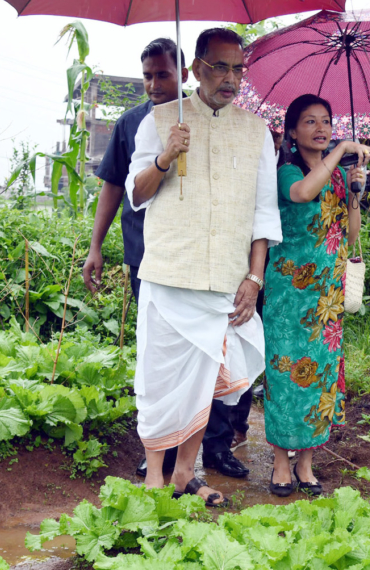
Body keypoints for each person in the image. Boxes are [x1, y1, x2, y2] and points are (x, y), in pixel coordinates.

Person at [125, 28, 281, 507]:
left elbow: (263, 213)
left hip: (226, 279)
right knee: (160, 379)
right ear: (195, 69)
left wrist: (254, 278)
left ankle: (185, 475)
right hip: (170, 274)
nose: (230, 78)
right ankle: (155, 477)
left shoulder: (257, 132)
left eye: (238, 68)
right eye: (219, 67)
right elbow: (136, 192)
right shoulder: (159, 120)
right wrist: (166, 155)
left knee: (204, 380)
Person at [80, 38, 191, 480]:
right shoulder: (131, 124)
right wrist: (95, 246)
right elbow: (111, 186)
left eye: (162, 74)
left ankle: (207, 451)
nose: (153, 83)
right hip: (145, 255)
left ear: (183, 74)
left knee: (198, 356)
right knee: (157, 354)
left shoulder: (205, 119)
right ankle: (157, 452)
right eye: (147, 75)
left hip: (196, 257)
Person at [263, 94, 370, 497]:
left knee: (321, 377)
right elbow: (301, 195)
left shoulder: (340, 177)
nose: (321, 129)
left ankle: (306, 463)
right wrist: (342, 149)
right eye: (309, 122)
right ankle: (279, 461)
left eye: (326, 121)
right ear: (292, 132)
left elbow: (350, 233)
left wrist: (356, 194)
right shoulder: (285, 172)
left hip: (327, 294)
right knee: (285, 374)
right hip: (289, 295)